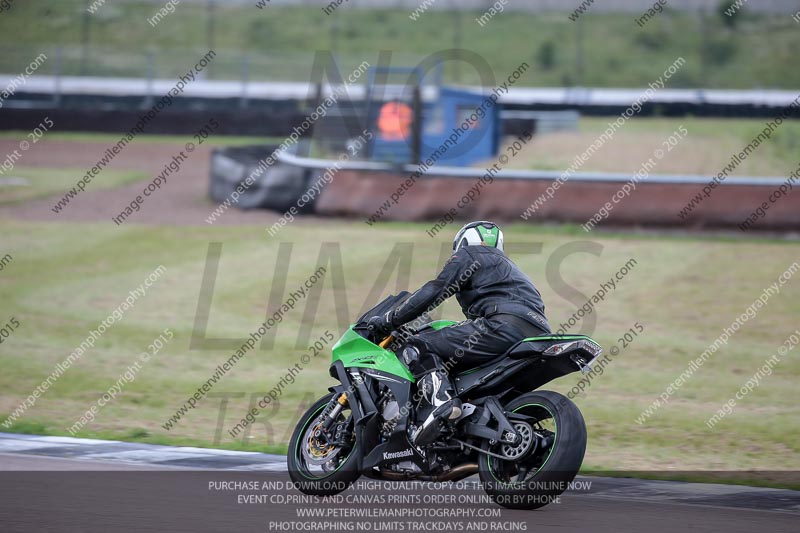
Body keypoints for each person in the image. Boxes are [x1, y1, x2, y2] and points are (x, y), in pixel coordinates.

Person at [368, 221, 551, 446]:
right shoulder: (513, 269)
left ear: (463, 242)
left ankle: (442, 403)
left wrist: (391, 319)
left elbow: (434, 291)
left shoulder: (469, 254)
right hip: (535, 334)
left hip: (501, 326)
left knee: (417, 345)